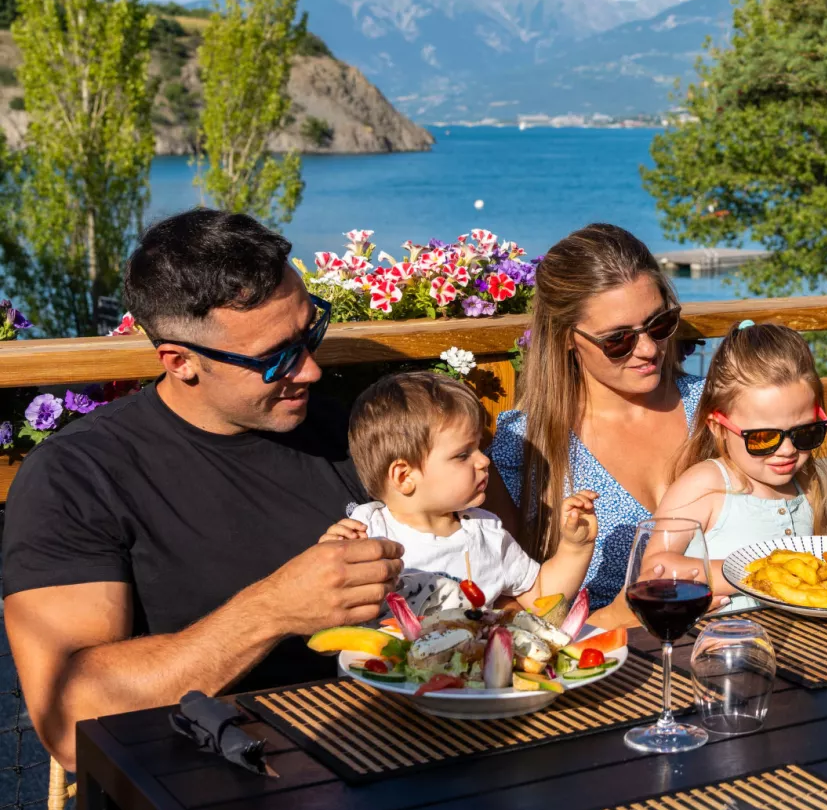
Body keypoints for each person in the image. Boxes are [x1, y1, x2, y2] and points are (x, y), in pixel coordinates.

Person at [2, 210, 404, 771]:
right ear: (180, 361)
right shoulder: (79, 475)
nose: (310, 371)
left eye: (311, 331)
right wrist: (271, 610)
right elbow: (70, 724)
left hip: (399, 752)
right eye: (275, 358)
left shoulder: (349, 435)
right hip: (212, 797)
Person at [488, 224, 705, 625]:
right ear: (567, 337)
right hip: (600, 667)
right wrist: (612, 618)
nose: (647, 348)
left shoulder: (713, 408)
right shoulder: (527, 444)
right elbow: (506, 610)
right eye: (618, 339)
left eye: (660, 324)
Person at [318, 371, 598, 611]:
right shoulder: (366, 533)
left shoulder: (485, 533)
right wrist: (328, 560)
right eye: (463, 455)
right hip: (381, 672)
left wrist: (576, 547)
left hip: (470, 671)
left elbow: (540, 595)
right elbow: (330, 613)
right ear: (404, 476)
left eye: (478, 446)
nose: (484, 460)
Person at [655, 323, 827, 611]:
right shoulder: (704, 486)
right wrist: (763, 571)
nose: (787, 450)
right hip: (721, 645)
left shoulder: (805, 482)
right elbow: (656, 568)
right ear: (718, 427)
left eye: (805, 433)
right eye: (763, 438)